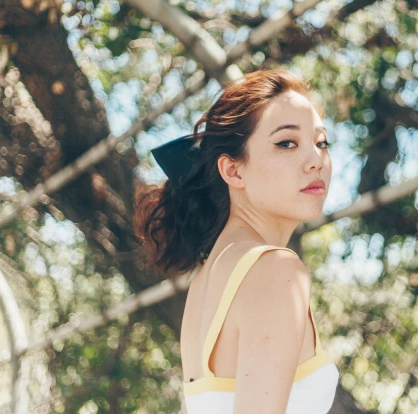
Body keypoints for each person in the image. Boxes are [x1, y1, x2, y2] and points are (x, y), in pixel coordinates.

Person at [133, 69, 339, 414]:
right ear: (233, 170)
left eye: (321, 142)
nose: (315, 161)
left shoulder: (206, 280)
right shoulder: (275, 269)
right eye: (286, 143)